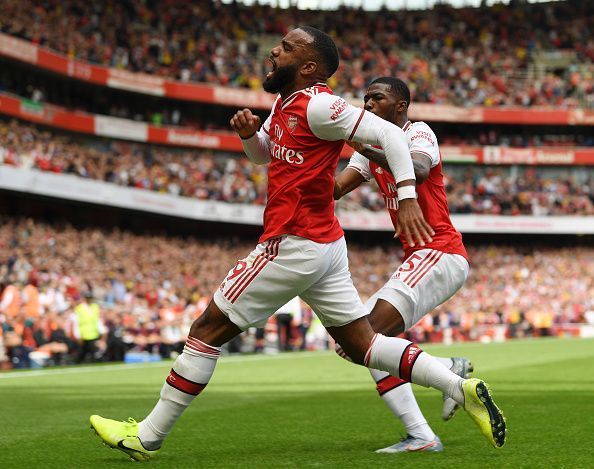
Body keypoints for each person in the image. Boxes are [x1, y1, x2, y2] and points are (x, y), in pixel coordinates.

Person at [89, 26, 505, 461]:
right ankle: (459, 386)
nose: (274, 50)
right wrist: (251, 135)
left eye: (286, 48)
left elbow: (392, 137)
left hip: (293, 241)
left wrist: (405, 197)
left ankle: (146, 437)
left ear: (308, 66)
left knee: (206, 330)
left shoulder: (322, 105)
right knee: (363, 344)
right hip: (324, 245)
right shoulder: (284, 102)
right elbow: (265, 154)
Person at [334, 77, 474, 452]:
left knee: (365, 338)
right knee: (355, 344)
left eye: (377, 98)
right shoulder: (369, 149)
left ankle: (423, 432)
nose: (368, 105)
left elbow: (418, 169)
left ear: (400, 106)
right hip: (421, 257)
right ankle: (437, 391)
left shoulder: (419, 132)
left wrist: (365, 145)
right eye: (364, 99)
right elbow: (335, 189)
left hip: (441, 252)